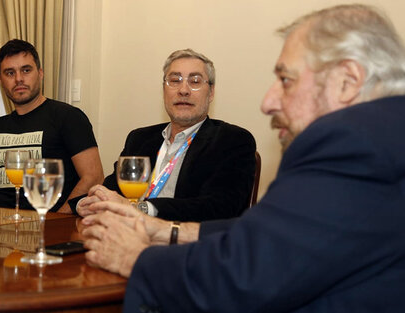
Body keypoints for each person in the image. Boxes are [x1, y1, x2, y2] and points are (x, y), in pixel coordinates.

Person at [80, 4, 405, 312]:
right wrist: (163, 231)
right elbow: (273, 234)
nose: (268, 102)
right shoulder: (381, 140)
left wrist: (135, 257)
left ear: (347, 81)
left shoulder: (353, 151)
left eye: (285, 80)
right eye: (175, 80)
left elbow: (247, 275)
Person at [72, 48, 257, 222]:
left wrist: (144, 208)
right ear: (164, 90)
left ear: (211, 93)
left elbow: (220, 208)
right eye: (175, 80)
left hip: (185, 245)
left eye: (194, 81)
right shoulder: (140, 139)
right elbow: (112, 190)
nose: (183, 90)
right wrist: (86, 203)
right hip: (127, 236)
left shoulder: (232, 140)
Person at [0, 39, 104, 213]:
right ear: (1, 80)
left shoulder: (68, 117)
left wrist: (57, 222)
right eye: (9, 73)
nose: (18, 79)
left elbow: (93, 176)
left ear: (40, 73)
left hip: (49, 228)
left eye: (26, 70)